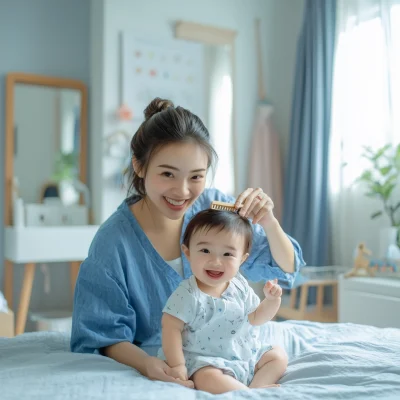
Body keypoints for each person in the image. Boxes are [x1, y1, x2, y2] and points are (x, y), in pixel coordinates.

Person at [70, 97, 305, 389]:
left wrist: (269, 221)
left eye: (196, 177)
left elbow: (287, 266)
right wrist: (148, 364)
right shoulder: (113, 243)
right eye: (167, 174)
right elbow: (103, 335)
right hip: (191, 364)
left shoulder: (214, 209)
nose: (182, 191)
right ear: (139, 167)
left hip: (237, 351)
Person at [160, 209, 287, 394]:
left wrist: (272, 300)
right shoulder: (188, 294)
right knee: (207, 379)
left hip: (245, 355)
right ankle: (246, 394)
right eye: (205, 250)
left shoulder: (240, 286)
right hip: (207, 361)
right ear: (188, 253)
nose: (216, 261)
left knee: (278, 356)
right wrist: (178, 365)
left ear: (242, 259)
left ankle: (256, 387)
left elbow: (257, 318)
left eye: (227, 254)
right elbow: (170, 329)